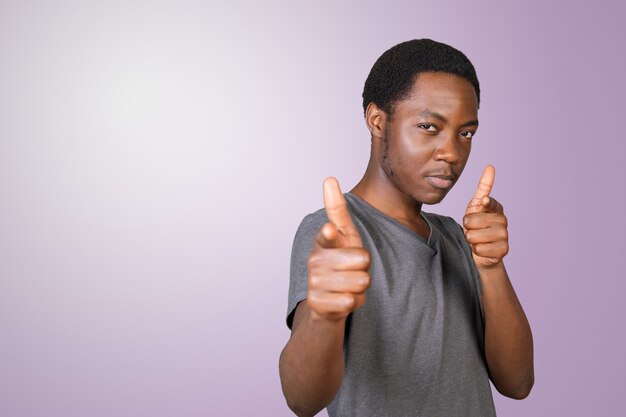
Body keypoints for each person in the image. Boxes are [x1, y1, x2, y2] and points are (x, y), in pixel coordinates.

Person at [278, 39, 534, 417]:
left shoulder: (458, 237)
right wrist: (323, 315)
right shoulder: (332, 232)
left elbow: (518, 383)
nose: (451, 152)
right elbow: (302, 400)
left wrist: (491, 267)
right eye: (429, 127)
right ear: (378, 121)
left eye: (465, 133)